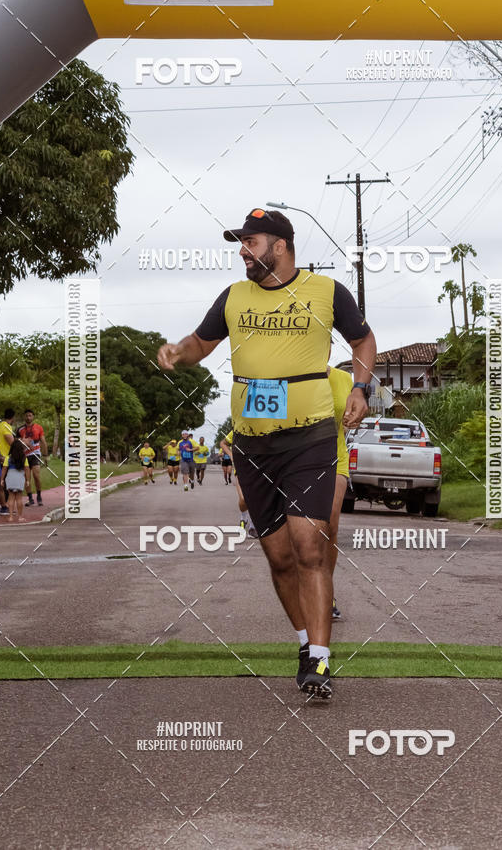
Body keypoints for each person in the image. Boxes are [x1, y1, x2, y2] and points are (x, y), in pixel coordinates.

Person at [158, 207, 376, 700]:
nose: (242, 250)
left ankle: (319, 662)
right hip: (253, 445)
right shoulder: (234, 297)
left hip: (311, 438)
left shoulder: (327, 292)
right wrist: (177, 351)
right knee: (278, 557)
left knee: (309, 545)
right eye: (241, 242)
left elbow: (362, 339)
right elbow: (200, 342)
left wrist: (361, 388)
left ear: (279, 245)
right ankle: (304, 643)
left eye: (250, 242)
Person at [326, 363, 354, 621]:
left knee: (329, 524)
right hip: (294, 461)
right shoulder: (286, 375)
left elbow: (352, 415)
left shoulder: (344, 378)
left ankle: (325, 593)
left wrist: (353, 416)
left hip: (335, 459)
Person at [219, 429, 258, 538]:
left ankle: (252, 527)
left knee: (255, 498)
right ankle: (243, 517)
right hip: (241, 469)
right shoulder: (238, 430)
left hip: (258, 469)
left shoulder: (263, 429)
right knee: (244, 499)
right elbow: (223, 443)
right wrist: (231, 455)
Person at [17, 409, 48, 507]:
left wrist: (46, 456)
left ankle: (39, 496)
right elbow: (16, 443)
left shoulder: (38, 427)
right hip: (25, 456)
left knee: (36, 476)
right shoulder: (20, 429)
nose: (28, 417)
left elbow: (43, 441)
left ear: (33, 416)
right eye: (26, 415)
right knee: (27, 478)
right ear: (24, 417)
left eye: (30, 415)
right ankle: (30, 498)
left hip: (35, 455)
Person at [1, 439, 29, 522]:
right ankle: (20, 517)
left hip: (10, 477)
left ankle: (10, 517)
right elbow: (27, 469)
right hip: (20, 478)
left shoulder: (8, 458)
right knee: (19, 498)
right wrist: (27, 480)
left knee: (11, 497)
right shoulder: (24, 458)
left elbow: (4, 469)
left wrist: (2, 479)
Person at [0, 408, 15, 516]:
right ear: (12, 418)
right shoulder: (6, 427)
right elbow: (11, 441)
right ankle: (5, 506)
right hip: (5, 458)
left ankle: (5, 505)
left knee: (3, 483)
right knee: (6, 483)